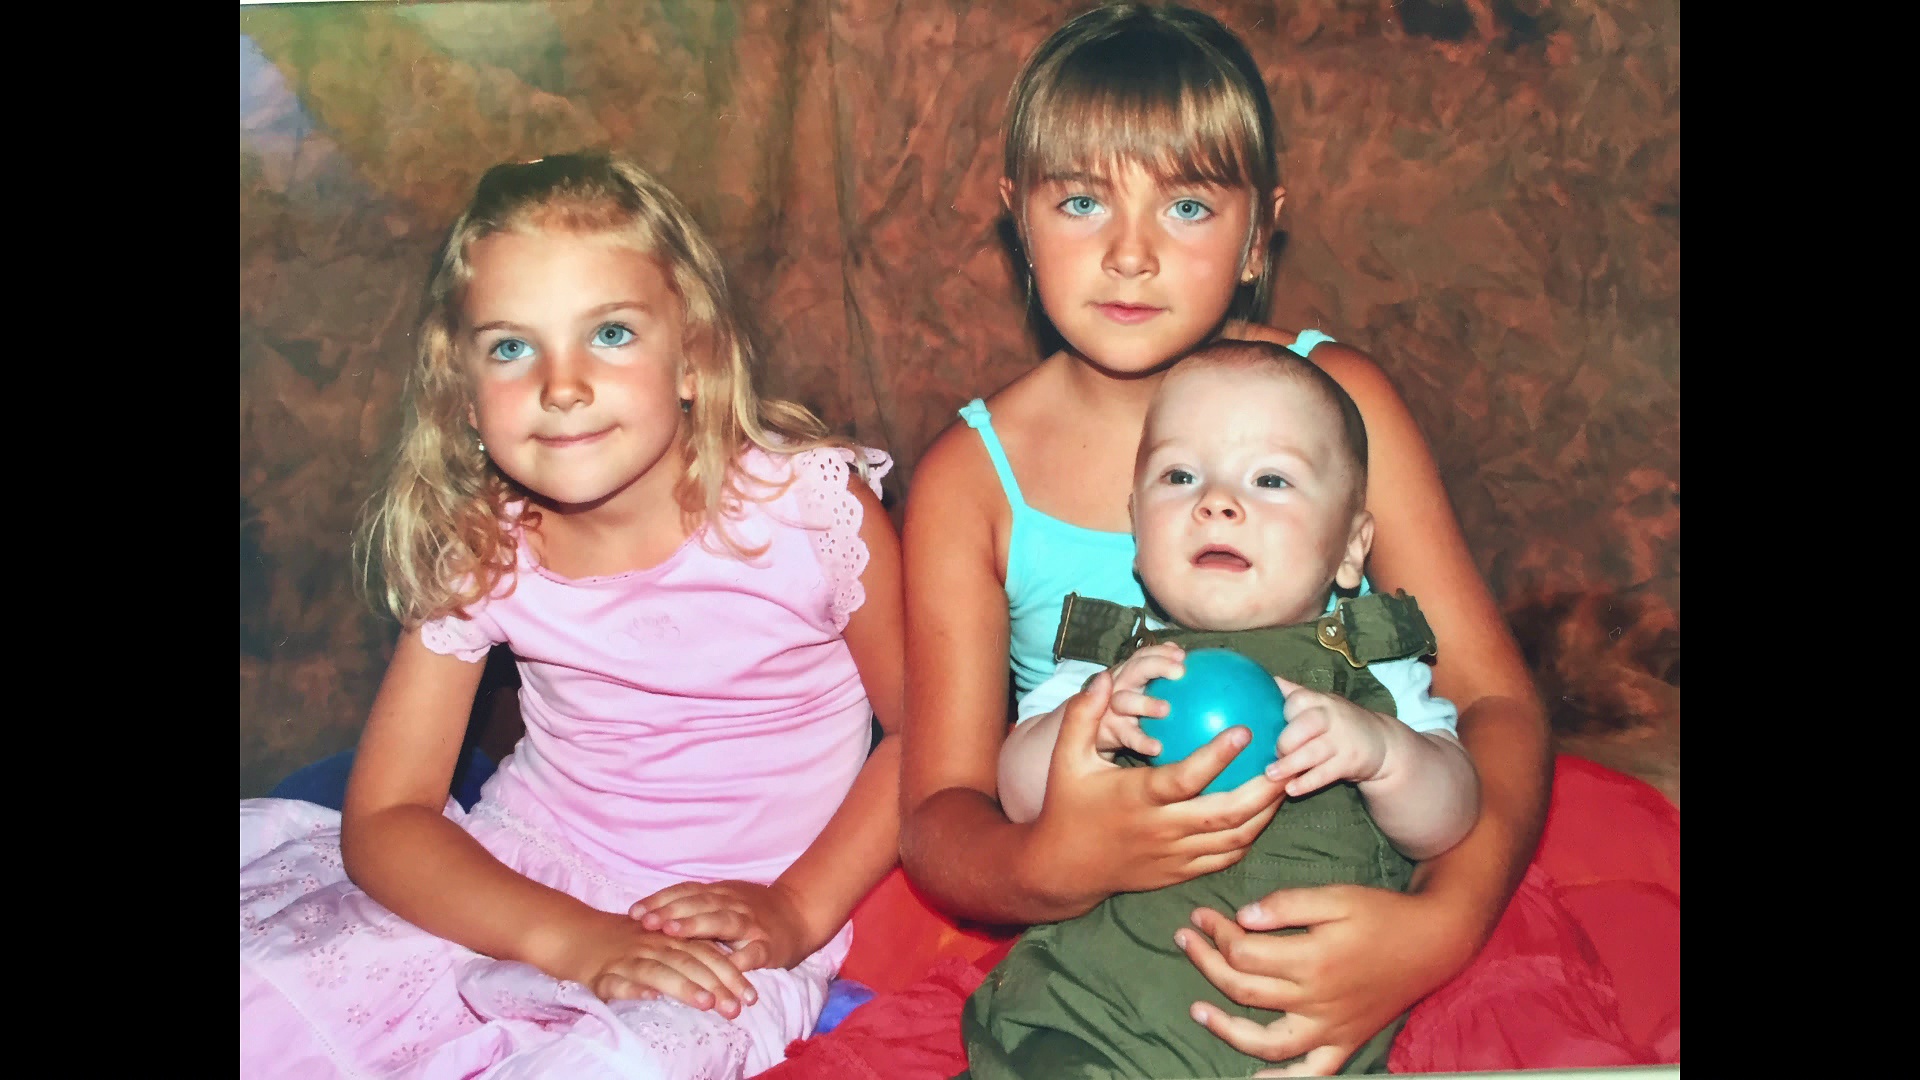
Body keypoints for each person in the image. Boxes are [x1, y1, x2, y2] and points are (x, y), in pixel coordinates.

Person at [897, 4, 1552, 1074]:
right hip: (1118, 966)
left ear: (1259, 233)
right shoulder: (971, 481)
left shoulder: (1339, 402)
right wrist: (1060, 860)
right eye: (1081, 200)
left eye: (1189, 204)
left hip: (1360, 906)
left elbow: (1494, 704)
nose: (1130, 254)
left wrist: (1439, 928)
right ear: (1016, 216)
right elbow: (939, 820)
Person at [238, 152, 906, 1079]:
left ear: (694, 357)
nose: (561, 386)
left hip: (736, 923)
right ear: (463, 395)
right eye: (512, 348)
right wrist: (572, 939)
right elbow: (387, 816)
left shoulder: (807, 509)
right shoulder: (485, 545)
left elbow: (931, 736)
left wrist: (796, 909)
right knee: (272, 997)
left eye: (611, 334)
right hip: (521, 885)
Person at [966, 341, 1480, 1076]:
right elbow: (1017, 797)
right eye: (1180, 476)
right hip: (1096, 1024)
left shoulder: (1374, 665)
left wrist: (1386, 755)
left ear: (1351, 548)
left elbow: (1452, 818)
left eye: (1270, 479)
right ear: (1136, 530)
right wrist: (1091, 724)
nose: (1216, 502)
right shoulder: (1110, 663)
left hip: (1308, 1033)